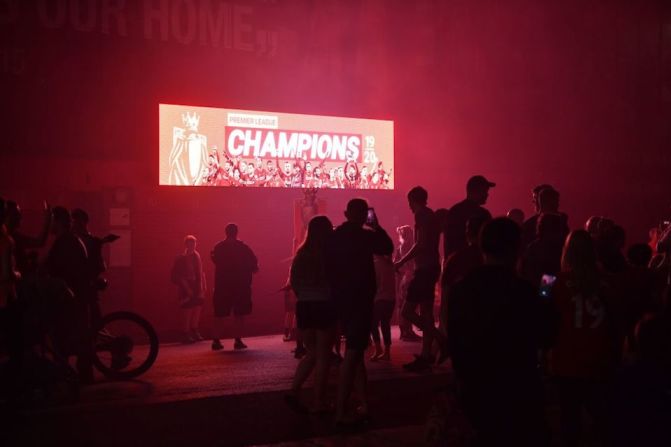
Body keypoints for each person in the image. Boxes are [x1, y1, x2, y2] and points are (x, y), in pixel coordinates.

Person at [448, 218, 554, 446]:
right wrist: (546, 292)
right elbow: (545, 334)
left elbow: (454, 341)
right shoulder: (522, 290)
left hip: (475, 388)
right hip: (517, 388)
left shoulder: (461, 290)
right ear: (516, 249)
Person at [549, 230, 621, 447]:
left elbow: (541, 313)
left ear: (566, 252)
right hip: (600, 359)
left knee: (569, 422)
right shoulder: (608, 282)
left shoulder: (549, 281)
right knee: (603, 422)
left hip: (566, 361)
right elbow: (617, 321)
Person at [327, 198, 393, 428]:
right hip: (362, 299)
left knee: (356, 354)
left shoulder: (335, 236)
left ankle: (363, 403)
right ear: (365, 215)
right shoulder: (366, 236)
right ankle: (341, 409)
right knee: (354, 353)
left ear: (346, 213)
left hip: (342, 299)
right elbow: (387, 247)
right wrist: (377, 226)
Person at [285, 216, 336, 414]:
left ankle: (294, 390)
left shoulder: (301, 253)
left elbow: (294, 281)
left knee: (312, 352)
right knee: (324, 355)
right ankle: (319, 401)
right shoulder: (328, 254)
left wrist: (304, 295)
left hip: (305, 306)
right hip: (324, 303)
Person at [395, 186, 446, 372]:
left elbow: (421, 243)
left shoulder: (422, 215)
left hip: (424, 269)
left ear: (413, 200)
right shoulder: (430, 215)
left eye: (409, 202)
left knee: (406, 312)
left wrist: (401, 261)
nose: (409, 206)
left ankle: (441, 340)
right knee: (426, 313)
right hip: (430, 267)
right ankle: (426, 355)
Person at [46, 207, 94, 383]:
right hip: (77, 296)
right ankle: (80, 373)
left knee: (64, 337)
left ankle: (65, 375)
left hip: (70, 298)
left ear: (57, 222)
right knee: (78, 336)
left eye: (50, 221)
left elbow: (56, 270)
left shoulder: (64, 242)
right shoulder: (71, 240)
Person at [211, 223, 259, 351]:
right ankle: (237, 340)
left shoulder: (218, 247)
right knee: (239, 314)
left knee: (219, 314)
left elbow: (214, 260)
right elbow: (254, 265)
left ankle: (216, 340)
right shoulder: (243, 248)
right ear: (236, 232)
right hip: (241, 286)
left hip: (222, 286)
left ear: (225, 232)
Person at [439, 215, 488, 333]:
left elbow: (446, 296)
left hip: (462, 323)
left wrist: (445, 326)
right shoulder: (497, 260)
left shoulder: (456, 259)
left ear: (468, 233)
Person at [443, 175, 494, 260]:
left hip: (457, 262)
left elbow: (447, 241)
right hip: (477, 263)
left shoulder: (454, 211)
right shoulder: (483, 214)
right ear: (476, 191)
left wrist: (448, 261)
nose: (487, 194)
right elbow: (490, 240)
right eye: (485, 191)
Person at [171, 235, 206, 343]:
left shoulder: (197, 256)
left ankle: (194, 329)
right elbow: (176, 275)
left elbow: (200, 272)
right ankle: (185, 332)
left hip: (196, 284)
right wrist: (186, 287)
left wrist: (202, 287)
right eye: (190, 244)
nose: (193, 246)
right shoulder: (180, 258)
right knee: (188, 309)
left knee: (197, 307)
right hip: (185, 285)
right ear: (186, 245)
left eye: (194, 244)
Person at [5, 200, 51, 276]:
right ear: (8, 216)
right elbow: (40, 242)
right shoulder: (11, 237)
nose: (20, 217)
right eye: (17, 213)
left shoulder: (14, 235)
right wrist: (48, 219)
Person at [519, 213, 566, 288]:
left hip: (534, 290)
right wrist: (545, 291)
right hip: (551, 291)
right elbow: (549, 272)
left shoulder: (533, 247)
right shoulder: (557, 247)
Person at [394, 225, 420, 341]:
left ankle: (403, 331)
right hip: (411, 277)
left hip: (403, 278)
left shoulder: (400, 247)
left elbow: (395, 264)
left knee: (402, 305)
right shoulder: (411, 247)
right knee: (409, 305)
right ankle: (408, 331)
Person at [370, 254, 395, 361]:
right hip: (391, 299)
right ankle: (387, 352)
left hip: (379, 298)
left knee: (372, 324)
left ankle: (378, 348)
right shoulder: (390, 265)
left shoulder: (375, 265)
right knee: (385, 324)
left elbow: (374, 284)